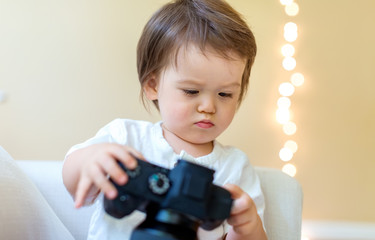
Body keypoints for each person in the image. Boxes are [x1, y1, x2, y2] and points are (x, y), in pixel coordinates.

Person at [62, 0, 267, 239]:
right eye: (191, 91)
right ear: (153, 85)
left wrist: (247, 227)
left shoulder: (235, 167)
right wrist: (90, 159)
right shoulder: (125, 137)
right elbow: (73, 181)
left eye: (225, 94)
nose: (208, 107)